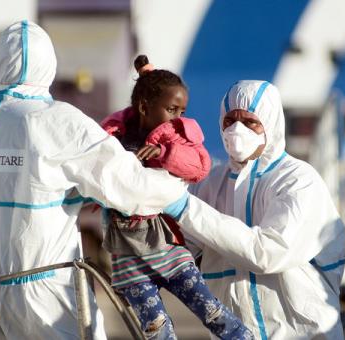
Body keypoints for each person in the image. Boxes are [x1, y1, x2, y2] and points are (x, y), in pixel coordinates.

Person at [0, 21, 190, 340]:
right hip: (43, 294)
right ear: (49, 63)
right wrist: (178, 178)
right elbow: (130, 187)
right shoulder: (53, 120)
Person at [99, 55, 253, 340]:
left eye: (181, 111)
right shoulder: (113, 140)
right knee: (157, 330)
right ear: (145, 107)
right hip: (128, 257)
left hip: (168, 248)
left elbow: (199, 166)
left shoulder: (175, 138)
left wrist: (164, 154)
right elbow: (95, 177)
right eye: (172, 110)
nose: (178, 118)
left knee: (212, 311)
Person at [178, 80, 345, 339]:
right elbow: (179, 245)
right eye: (230, 120)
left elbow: (268, 252)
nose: (237, 129)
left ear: (270, 123)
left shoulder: (297, 180)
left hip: (301, 333)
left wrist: (185, 207)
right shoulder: (212, 183)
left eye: (249, 122)